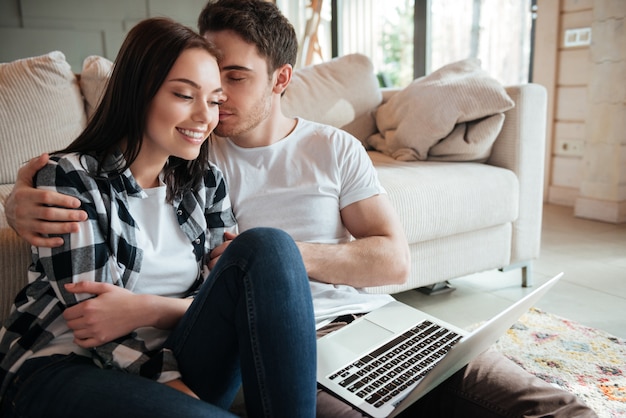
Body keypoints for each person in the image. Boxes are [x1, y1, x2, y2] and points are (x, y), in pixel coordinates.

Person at [5, 1, 597, 417]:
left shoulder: (309, 152)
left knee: (546, 404)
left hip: (369, 321)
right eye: (195, 90)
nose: (214, 108)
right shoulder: (193, 154)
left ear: (280, 78)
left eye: (228, 83)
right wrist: (16, 197)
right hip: (279, 352)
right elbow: (91, 168)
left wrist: (289, 259)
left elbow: (392, 262)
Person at [0, 16, 317, 418]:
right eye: (185, 95)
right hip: (66, 365)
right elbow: (96, 327)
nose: (206, 116)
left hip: (177, 353)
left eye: (215, 100)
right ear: (139, 93)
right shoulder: (70, 179)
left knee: (270, 245)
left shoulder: (207, 183)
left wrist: (151, 309)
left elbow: (227, 300)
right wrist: (178, 391)